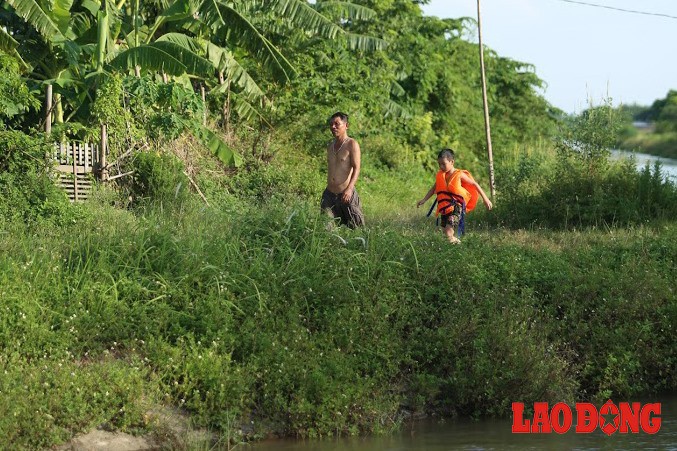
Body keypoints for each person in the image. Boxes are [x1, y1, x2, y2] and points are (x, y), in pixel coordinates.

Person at [416, 148, 492, 243]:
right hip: (444, 208)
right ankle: (459, 244)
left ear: (452, 162)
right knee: (446, 234)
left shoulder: (459, 174)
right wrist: (424, 200)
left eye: (444, 164)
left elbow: (474, 184)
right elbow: (433, 189)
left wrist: (486, 199)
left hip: (456, 207)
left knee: (448, 233)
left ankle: (458, 245)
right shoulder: (441, 175)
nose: (441, 166)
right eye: (439, 164)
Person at [321, 112, 365, 228]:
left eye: (337, 124)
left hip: (346, 194)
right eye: (331, 124)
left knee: (357, 228)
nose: (333, 127)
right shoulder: (330, 146)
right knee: (325, 228)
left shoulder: (352, 144)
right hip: (329, 195)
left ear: (346, 125)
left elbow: (357, 168)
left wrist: (350, 189)